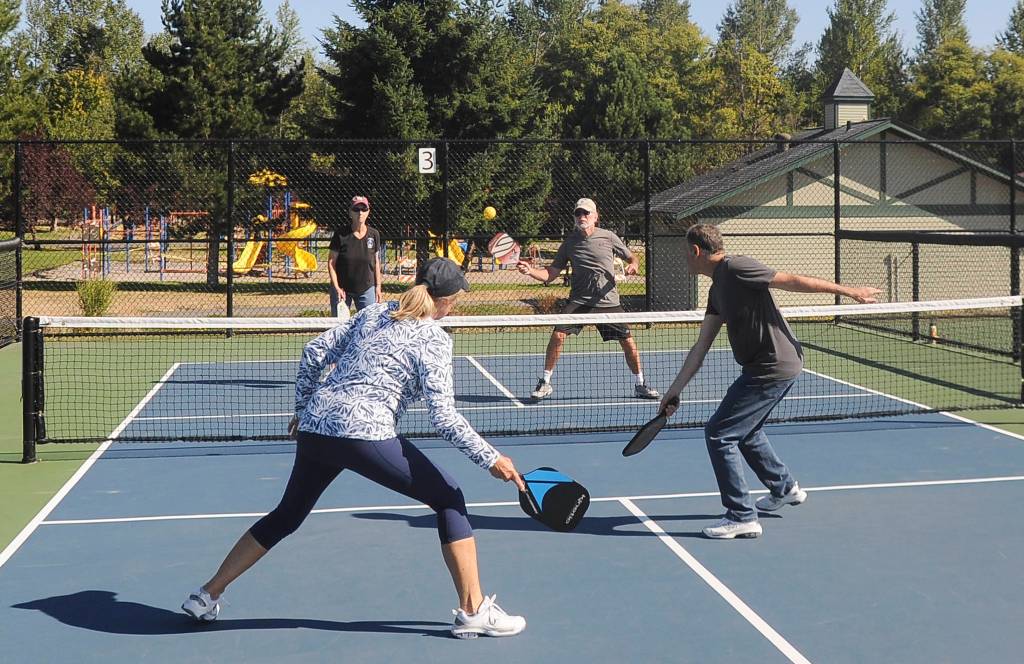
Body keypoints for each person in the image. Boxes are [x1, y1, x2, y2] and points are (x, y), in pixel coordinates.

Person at [182, 257, 528, 639]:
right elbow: (443, 417)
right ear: (444, 300)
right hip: (364, 433)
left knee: (287, 515)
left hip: (317, 426)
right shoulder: (434, 339)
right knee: (449, 498)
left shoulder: (375, 313)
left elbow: (314, 351)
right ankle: (474, 610)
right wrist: (490, 457)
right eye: (456, 298)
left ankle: (207, 594)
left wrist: (304, 408)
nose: (456, 304)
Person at [660, 223, 881, 539]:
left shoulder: (736, 267)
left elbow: (791, 280)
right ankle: (785, 487)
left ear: (696, 251)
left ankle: (741, 515)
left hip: (772, 366)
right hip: (763, 367)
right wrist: (674, 390)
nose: (685, 259)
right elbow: (702, 345)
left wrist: (850, 291)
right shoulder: (716, 290)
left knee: (719, 433)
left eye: (686, 254)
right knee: (747, 432)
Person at [516, 197, 660, 401]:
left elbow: (632, 258)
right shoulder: (569, 243)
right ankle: (545, 382)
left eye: (586, 213)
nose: (582, 217)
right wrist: (530, 271)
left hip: (608, 302)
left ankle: (641, 384)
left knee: (628, 342)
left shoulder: (608, 237)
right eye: (578, 213)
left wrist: (634, 265)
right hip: (579, 302)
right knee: (558, 336)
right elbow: (551, 274)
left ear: (595, 217)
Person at [328, 195, 383, 317]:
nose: (360, 213)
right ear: (350, 213)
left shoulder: (374, 234)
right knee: (339, 328)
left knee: (368, 326)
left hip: (367, 288)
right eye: (356, 209)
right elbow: (331, 263)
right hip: (342, 289)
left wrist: (378, 287)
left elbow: (376, 262)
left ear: (368, 212)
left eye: (363, 209)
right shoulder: (340, 235)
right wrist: (336, 287)